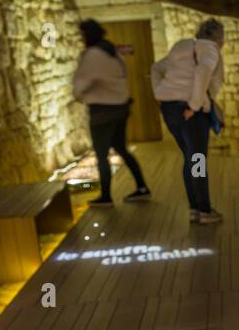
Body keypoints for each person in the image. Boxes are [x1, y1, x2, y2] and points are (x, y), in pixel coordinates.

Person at [151, 18, 226, 224]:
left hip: (169, 108)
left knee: (190, 158)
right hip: (190, 112)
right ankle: (204, 210)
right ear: (220, 38)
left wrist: (159, 92)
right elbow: (203, 72)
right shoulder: (210, 48)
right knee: (198, 160)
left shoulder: (182, 46)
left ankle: (195, 208)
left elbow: (156, 68)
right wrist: (194, 105)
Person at [72, 19, 151, 207]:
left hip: (102, 112)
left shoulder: (93, 55)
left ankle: (106, 196)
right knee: (121, 148)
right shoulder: (113, 52)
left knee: (101, 155)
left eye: (82, 35)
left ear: (87, 35)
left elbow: (80, 86)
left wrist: (81, 95)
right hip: (120, 108)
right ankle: (142, 188)